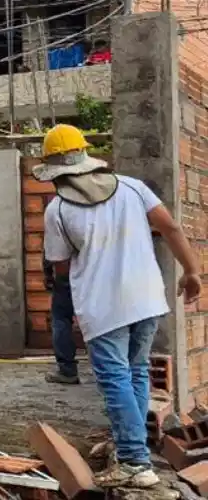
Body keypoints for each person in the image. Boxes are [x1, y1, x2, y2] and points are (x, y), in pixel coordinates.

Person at [36, 124, 201, 489]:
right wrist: (192, 271)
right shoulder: (132, 188)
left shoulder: (59, 210)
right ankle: (133, 444)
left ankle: (133, 461)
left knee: (115, 379)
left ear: (54, 171)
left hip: (103, 306)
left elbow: (61, 267)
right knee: (137, 371)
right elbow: (171, 227)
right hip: (147, 299)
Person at [43, 256, 80, 385]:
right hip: (95, 274)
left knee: (61, 319)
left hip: (67, 272)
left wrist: (48, 273)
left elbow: (53, 250)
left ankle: (67, 370)